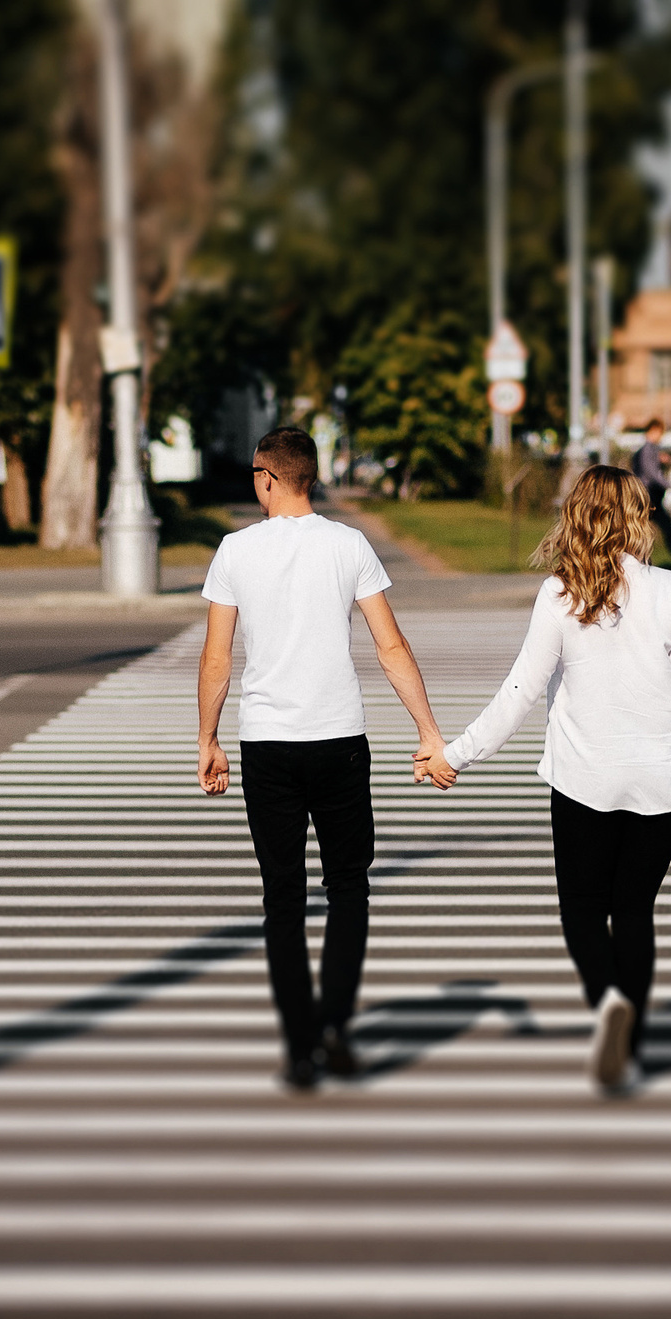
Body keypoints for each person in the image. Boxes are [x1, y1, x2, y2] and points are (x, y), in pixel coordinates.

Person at [418, 465, 671, 1092]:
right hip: (663, 785)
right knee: (634, 912)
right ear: (635, 515)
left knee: (581, 913)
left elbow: (521, 691)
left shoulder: (560, 593)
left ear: (576, 515)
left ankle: (609, 1007)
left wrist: (456, 755)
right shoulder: (670, 591)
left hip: (585, 783)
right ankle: (630, 1035)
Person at [198, 426, 452, 1092]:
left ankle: (301, 1047)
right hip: (340, 742)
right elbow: (390, 646)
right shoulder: (349, 545)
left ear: (267, 477)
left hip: (268, 747)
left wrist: (208, 739)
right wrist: (428, 730)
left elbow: (218, 658)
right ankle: (336, 1025)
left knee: (281, 899)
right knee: (348, 889)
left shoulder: (235, 551)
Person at [630, 420, 671, 577]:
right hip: (649, 497)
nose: (661, 436)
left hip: (650, 496)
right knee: (661, 529)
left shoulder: (651, 449)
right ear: (652, 430)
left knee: (644, 530)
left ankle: (644, 564)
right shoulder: (647, 449)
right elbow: (652, 474)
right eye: (660, 432)